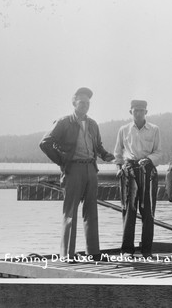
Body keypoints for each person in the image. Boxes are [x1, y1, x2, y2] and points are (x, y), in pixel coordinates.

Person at [39, 87, 114, 262]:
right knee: (70, 211)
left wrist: (107, 156)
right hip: (73, 170)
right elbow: (45, 143)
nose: (85, 106)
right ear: (74, 103)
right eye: (82, 102)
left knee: (91, 211)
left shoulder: (93, 124)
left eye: (88, 103)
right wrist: (62, 161)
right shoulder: (64, 122)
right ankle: (67, 255)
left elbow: (99, 147)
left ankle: (94, 253)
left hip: (91, 170)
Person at [114, 100, 162, 258]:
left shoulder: (154, 129)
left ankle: (147, 250)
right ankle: (127, 250)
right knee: (129, 211)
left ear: (146, 111)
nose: (139, 113)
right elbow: (118, 153)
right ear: (130, 112)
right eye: (135, 110)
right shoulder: (123, 130)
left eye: (141, 110)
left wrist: (148, 159)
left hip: (147, 171)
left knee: (148, 212)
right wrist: (119, 168)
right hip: (129, 172)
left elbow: (159, 153)